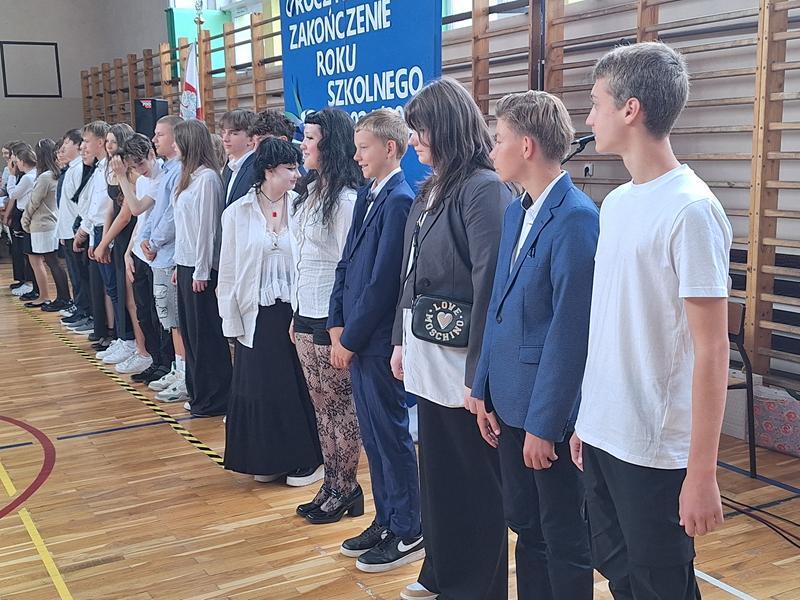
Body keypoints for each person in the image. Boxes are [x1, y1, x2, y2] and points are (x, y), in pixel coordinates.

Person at [571, 42, 732, 600]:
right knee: (620, 577)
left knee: (661, 586)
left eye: (596, 104)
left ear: (630, 109)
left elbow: (712, 350)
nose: (588, 119)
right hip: (605, 432)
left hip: (656, 449)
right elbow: (610, 324)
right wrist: (588, 420)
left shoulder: (691, 209)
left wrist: (702, 473)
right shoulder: (616, 203)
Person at [469, 91, 597, 600]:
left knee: (561, 534)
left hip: (546, 412)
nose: (491, 150)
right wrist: (482, 387)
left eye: (498, 139)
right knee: (526, 526)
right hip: (508, 399)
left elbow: (570, 331)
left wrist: (545, 425)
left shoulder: (576, 217)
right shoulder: (515, 212)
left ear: (526, 146)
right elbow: (497, 306)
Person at [390, 78, 513, 600]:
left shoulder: (483, 188)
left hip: (462, 360)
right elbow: (409, 272)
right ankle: (440, 572)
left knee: (474, 480)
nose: (414, 139)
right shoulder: (430, 187)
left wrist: (478, 373)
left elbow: (490, 283)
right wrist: (400, 339)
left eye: (420, 129)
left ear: (445, 127)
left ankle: (476, 587)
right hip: (427, 350)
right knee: (438, 473)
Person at [327, 109, 422, 572]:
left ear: (390, 148)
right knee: (373, 436)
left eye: (364, 148)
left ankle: (409, 527)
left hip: (378, 342)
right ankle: (386, 519)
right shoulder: (369, 194)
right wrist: (335, 323)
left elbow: (384, 283)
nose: (356, 156)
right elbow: (346, 264)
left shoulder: (400, 200)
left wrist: (351, 337)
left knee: (391, 435)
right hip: (356, 338)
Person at [218, 137, 323, 486]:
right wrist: (230, 320)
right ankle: (268, 458)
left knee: (297, 386)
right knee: (261, 387)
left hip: (297, 312)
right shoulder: (237, 213)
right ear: (268, 170)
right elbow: (228, 270)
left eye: (297, 167)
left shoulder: (304, 206)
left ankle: (307, 459)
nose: (297, 174)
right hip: (256, 314)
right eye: (289, 168)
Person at [290, 108, 362, 524]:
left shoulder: (346, 200)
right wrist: (294, 313)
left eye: (310, 138)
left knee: (339, 407)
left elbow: (346, 269)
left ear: (330, 144)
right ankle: (331, 483)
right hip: (304, 310)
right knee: (320, 406)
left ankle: (347, 487)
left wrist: (340, 330)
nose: (303, 145)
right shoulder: (310, 192)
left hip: (330, 318)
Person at [172, 119, 231, 417]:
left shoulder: (208, 179)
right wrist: (179, 264)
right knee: (190, 333)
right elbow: (184, 229)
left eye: (177, 140)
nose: (173, 146)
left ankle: (214, 397)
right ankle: (198, 391)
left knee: (204, 335)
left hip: (201, 268)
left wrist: (201, 270)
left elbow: (208, 229)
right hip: (186, 263)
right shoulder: (189, 177)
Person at [21, 139, 71, 310]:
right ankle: (62, 297)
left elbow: (34, 202)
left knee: (53, 262)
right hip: (52, 222)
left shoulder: (45, 177)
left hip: (42, 224)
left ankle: (63, 298)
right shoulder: (57, 174)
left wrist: (25, 220)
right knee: (54, 262)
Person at [74, 120, 113, 341]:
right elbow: (92, 205)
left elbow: (104, 206)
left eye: (87, 141)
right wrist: (90, 239)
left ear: (100, 142)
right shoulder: (99, 168)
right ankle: (108, 332)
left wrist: (97, 238)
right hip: (96, 232)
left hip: (105, 231)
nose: (83, 146)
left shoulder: (109, 167)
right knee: (105, 287)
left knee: (112, 288)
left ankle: (115, 334)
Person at [55, 129, 90, 319]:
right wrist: (61, 232)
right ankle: (79, 307)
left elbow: (81, 206)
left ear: (78, 146)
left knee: (81, 276)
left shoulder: (79, 169)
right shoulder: (71, 169)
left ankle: (85, 311)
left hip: (75, 232)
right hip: (67, 231)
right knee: (75, 275)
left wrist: (78, 231)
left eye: (67, 143)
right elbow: (64, 205)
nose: (63, 148)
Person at [6, 143, 39, 301]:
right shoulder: (32, 174)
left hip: (26, 214)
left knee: (28, 252)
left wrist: (12, 175)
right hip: (24, 213)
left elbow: (13, 194)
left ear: (23, 161)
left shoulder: (27, 177)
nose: (15, 164)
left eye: (17, 161)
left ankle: (30, 284)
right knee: (25, 251)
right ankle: (29, 283)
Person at [220, 109, 259, 206]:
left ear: (251, 139)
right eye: (224, 132)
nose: (225, 139)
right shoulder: (229, 168)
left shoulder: (256, 169)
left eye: (233, 133)